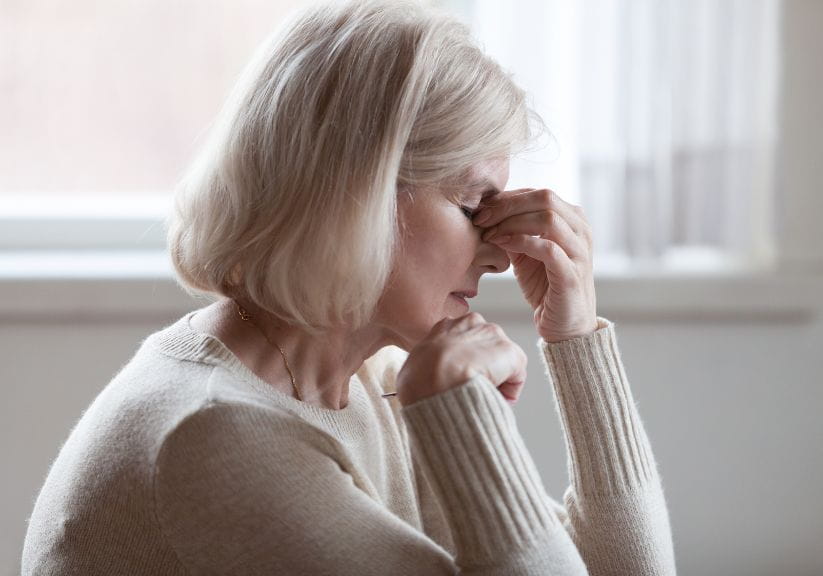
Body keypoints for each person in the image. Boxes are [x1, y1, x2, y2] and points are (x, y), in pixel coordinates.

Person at [22, 0, 676, 574]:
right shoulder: (216, 435)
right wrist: (463, 422)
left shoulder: (378, 374)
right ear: (357, 198)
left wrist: (575, 339)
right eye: (475, 206)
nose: (501, 256)